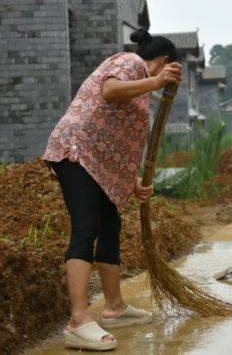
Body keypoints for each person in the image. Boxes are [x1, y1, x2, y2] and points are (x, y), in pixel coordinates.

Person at [43, 29, 183, 351]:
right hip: (76, 152)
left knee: (110, 226)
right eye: (168, 69)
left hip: (98, 163)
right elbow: (109, 90)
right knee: (86, 226)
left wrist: (132, 182)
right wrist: (158, 81)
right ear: (163, 61)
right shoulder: (131, 61)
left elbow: (116, 136)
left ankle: (115, 307)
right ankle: (78, 320)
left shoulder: (142, 87)